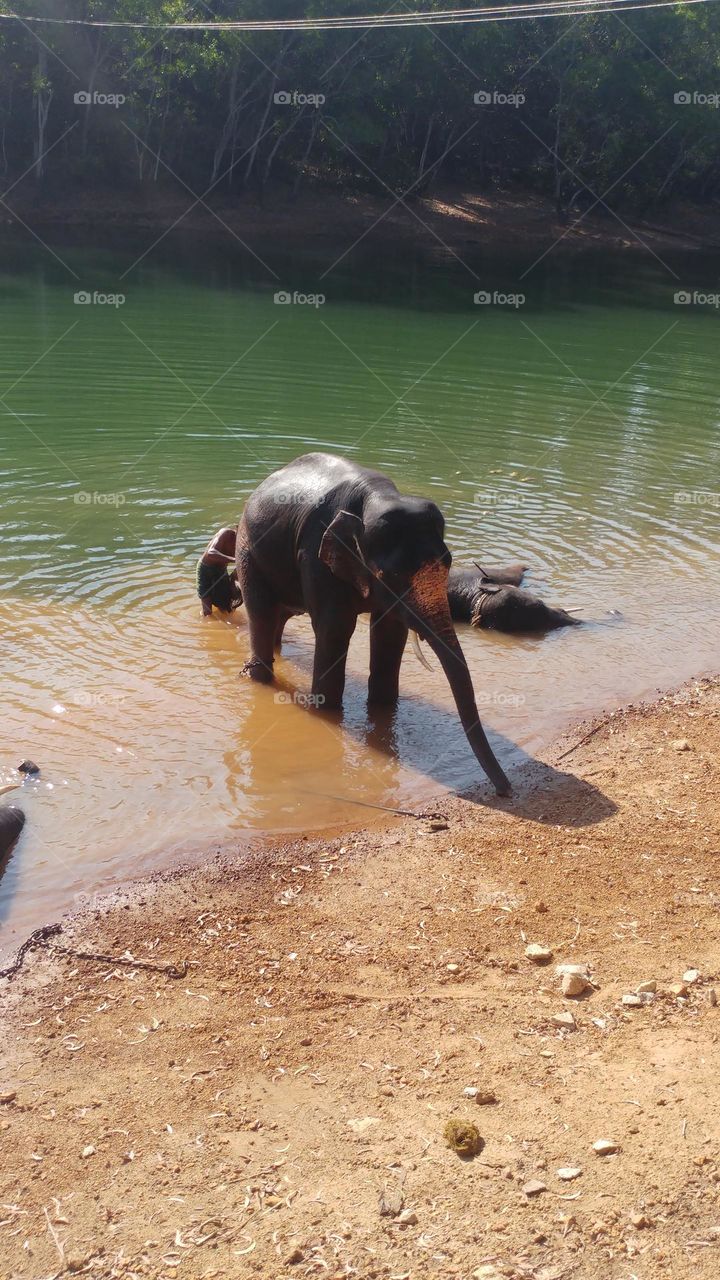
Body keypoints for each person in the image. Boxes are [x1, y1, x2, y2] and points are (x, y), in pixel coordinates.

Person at [197, 525, 242, 617]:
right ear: (237, 531)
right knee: (207, 612)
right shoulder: (226, 533)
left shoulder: (244, 545)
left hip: (221, 571)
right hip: (205, 569)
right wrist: (234, 559)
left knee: (226, 608)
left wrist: (233, 581)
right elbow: (210, 553)